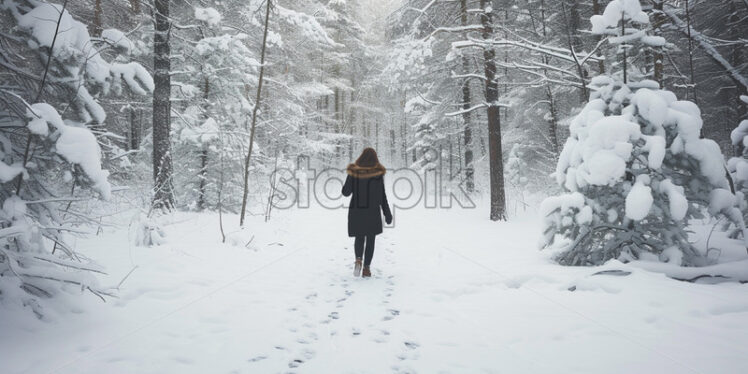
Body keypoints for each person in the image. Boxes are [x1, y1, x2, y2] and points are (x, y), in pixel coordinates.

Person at [342, 148, 392, 278]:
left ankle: (358, 259)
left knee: (359, 237)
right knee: (370, 239)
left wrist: (350, 177)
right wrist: (387, 213)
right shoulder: (377, 173)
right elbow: (382, 196)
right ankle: (366, 268)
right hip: (372, 212)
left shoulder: (354, 171)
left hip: (357, 211)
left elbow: (346, 192)